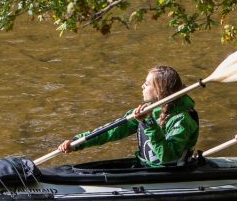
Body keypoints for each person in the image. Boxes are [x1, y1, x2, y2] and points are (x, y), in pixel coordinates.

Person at [59, 65, 199, 167]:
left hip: (168, 175)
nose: (142, 86)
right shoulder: (151, 111)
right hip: (147, 168)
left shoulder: (182, 119)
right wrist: (77, 143)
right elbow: (112, 131)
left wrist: (148, 122)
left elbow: (167, 157)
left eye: (146, 83)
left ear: (159, 90)